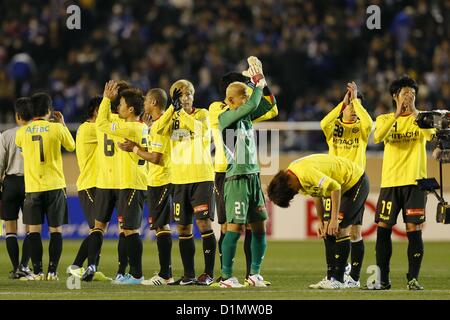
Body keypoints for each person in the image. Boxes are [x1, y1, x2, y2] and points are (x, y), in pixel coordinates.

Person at [209, 59, 277, 285]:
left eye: (248, 96)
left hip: (253, 176)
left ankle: (255, 274)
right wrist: (256, 84)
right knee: (235, 228)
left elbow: (269, 106)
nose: (247, 100)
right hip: (235, 177)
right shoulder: (224, 117)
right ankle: (227, 276)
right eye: (243, 96)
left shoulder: (245, 114)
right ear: (230, 100)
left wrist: (262, 83)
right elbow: (251, 104)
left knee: (259, 227)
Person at [370, 76, 435, 290]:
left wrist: (415, 110)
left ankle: (413, 278)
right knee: (383, 228)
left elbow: (429, 135)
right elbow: (378, 137)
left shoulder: (422, 118)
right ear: (394, 96)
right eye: (405, 93)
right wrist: (398, 113)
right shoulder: (384, 119)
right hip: (390, 182)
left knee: (413, 228)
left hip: (415, 182)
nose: (409, 97)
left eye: (413, 94)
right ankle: (382, 279)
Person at [267, 154, 369, 289]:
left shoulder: (305, 173)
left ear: (289, 183)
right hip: (341, 188)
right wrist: (321, 220)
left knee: (340, 228)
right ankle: (331, 277)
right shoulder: (293, 176)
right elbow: (316, 193)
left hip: (356, 183)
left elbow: (335, 187)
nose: (296, 193)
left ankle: (341, 280)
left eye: (293, 192)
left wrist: (333, 219)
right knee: (327, 230)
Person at [82, 81, 148, 285]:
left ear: (130, 108)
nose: (117, 106)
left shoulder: (129, 127)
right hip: (124, 181)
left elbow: (101, 123)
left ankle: (135, 275)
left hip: (129, 182)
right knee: (122, 229)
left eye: (120, 103)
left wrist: (105, 99)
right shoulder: (135, 125)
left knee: (129, 230)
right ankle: (126, 272)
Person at [152, 79, 216, 286]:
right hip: (179, 179)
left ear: (194, 95)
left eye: (188, 93)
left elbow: (199, 131)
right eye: (181, 95)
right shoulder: (172, 116)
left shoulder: (203, 114)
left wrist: (179, 113)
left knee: (204, 223)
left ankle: (208, 274)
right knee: (182, 228)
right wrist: (172, 109)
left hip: (201, 177)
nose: (186, 97)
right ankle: (188, 275)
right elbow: (157, 130)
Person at [310, 81, 372, 289]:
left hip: (354, 185)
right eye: (351, 106)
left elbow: (370, 124)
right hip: (334, 185)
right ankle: (332, 276)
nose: (354, 110)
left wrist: (356, 102)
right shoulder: (334, 128)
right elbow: (323, 123)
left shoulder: (361, 130)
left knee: (350, 231)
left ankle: (351, 278)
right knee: (330, 230)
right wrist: (343, 103)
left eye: (358, 107)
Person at [16, 92, 76, 280]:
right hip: (55, 185)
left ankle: (38, 270)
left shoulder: (21, 133)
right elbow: (71, 146)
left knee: (33, 231)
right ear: (49, 110)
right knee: (55, 230)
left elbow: (23, 152)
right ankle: (52, 271)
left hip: (33, 186)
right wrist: (63, 124)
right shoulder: (56, 129)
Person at [118, 88, 174, 285]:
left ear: (154, 103)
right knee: (160, 225)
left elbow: (156, 158)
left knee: (162, 226)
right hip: (155, 180)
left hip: (161, 179)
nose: (145, 104)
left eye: (147, 101)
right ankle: (166, 273)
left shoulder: (159, 126)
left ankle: (166, 275)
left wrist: (134, 148)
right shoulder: (155, 125)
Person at [66, 96, 111, 281]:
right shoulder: (89, 128)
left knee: (98, 229)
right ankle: (84, 266)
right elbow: (111, 133)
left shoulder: (93, 128)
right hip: (89, 184)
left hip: (97, 183)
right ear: (94, 110)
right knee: (97, 228)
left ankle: (84, 267)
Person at [0, 97, 33, 279]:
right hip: (31, 182)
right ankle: (24, 266)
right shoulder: (37, 133)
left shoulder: (6, 135)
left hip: (11, 183)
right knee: (31, 227)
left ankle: (15, 268)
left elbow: (0, 164)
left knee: (10, 228)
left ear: (17, 115)